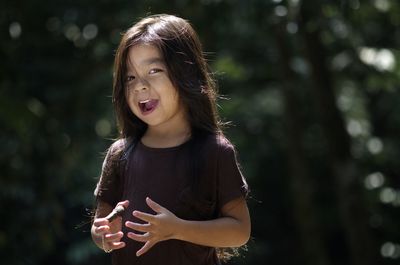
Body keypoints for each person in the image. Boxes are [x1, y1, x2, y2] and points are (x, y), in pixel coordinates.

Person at [91, 14, 250, 265]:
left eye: (154, 71)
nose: (140, 86)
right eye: (130, 77)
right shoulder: (120, 154)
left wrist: (178, 228)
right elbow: (102, 224)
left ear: (185, 72)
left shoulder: (214, 152)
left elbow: (239, 231)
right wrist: (102, 235)